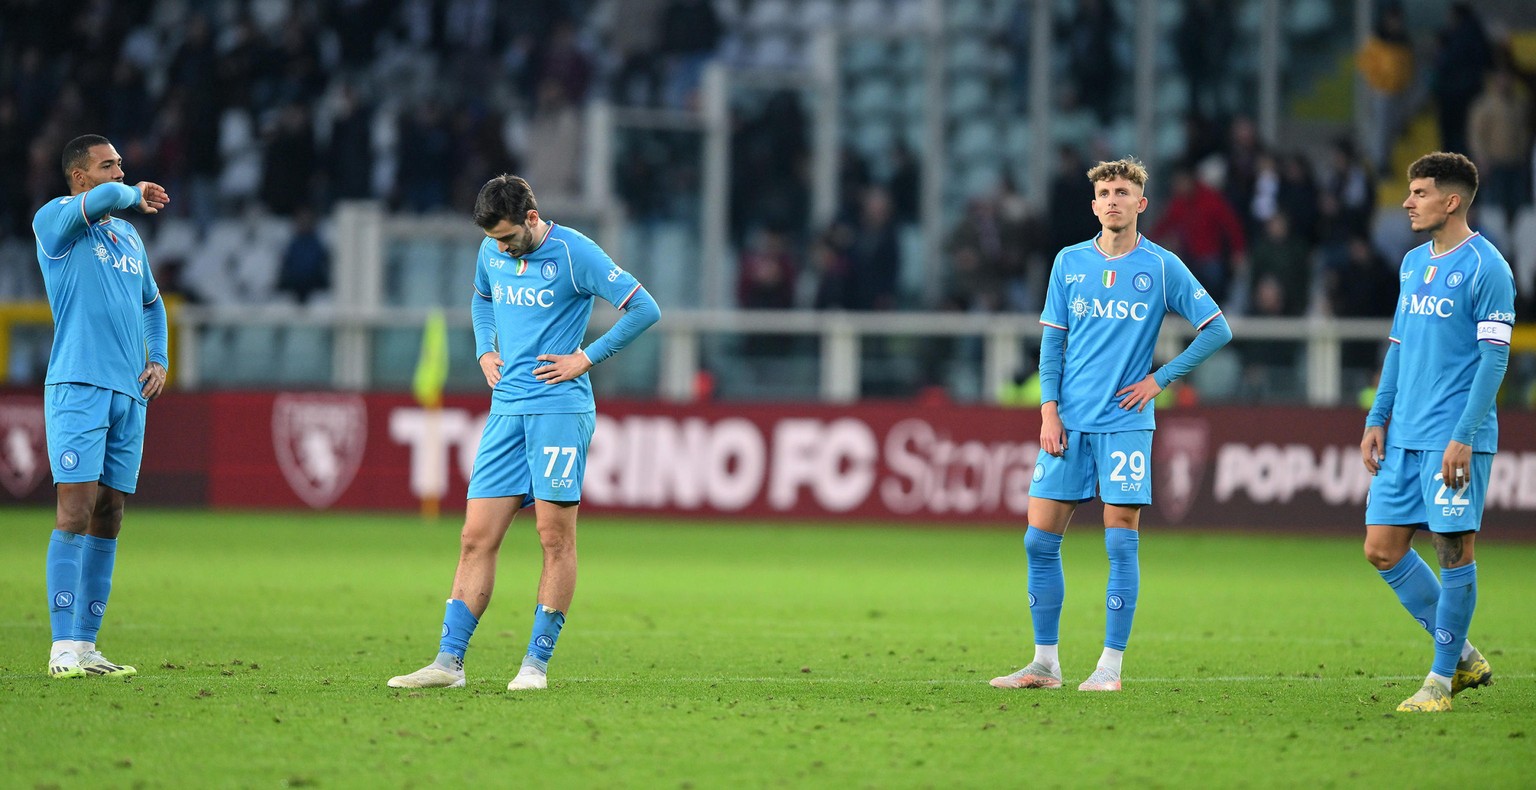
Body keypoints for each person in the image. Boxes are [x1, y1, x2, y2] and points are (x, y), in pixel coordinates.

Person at [388, 174, 660, 691]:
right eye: (495, 240)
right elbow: (482, 299)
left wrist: (586, 357)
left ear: (532, 219)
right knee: (474, 538)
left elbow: (645, 309)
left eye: (510, 238)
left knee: (553, 537)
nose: (503, 249)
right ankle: (448, 664)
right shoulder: (491, 249)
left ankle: (534, 664)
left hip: (558, 410)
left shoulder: (576, 253)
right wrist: (485, 349)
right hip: (506, 410)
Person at [991, 157, 1232, 692]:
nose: (1112, 200)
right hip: (1069, 422)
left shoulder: (1162, 266)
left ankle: (1110, 667)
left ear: (1141, 203)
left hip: (1125, 423)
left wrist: (1160, 379)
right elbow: (1052, 343)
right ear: (1094, 204)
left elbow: (1217, 329)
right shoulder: (1068, 262)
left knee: (1121, 540)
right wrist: (1048, 411)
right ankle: (1045, 664)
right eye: (1104, 192)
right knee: (1038, 541)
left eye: (1123, 191)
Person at [1360, 152, 1515, 713]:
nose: (1407, 202)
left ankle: (1440, 682)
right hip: (1403, 435)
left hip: (1455, 437)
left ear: (1451, 201)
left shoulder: (1487, 267)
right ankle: (1466, 655)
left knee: (1453, 550)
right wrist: (1378, 417)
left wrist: (1465, 433)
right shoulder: (1411, 264)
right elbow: (1399, 347)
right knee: (1381, 549)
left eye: (1419, 192)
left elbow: (1494, 360)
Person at [36, 134, 170, 679]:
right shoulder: (56, 222)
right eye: (107, 165)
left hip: (126, 393)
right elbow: (104, 202)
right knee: (74, 510)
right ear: (79, 177)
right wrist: (131, 191)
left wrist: (158, 358)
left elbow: (153, 304)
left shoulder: (129, 239)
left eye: (121, 164)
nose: (119, 171)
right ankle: (61, 646)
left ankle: (88, 647)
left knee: (109, 515)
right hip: (78, 386)